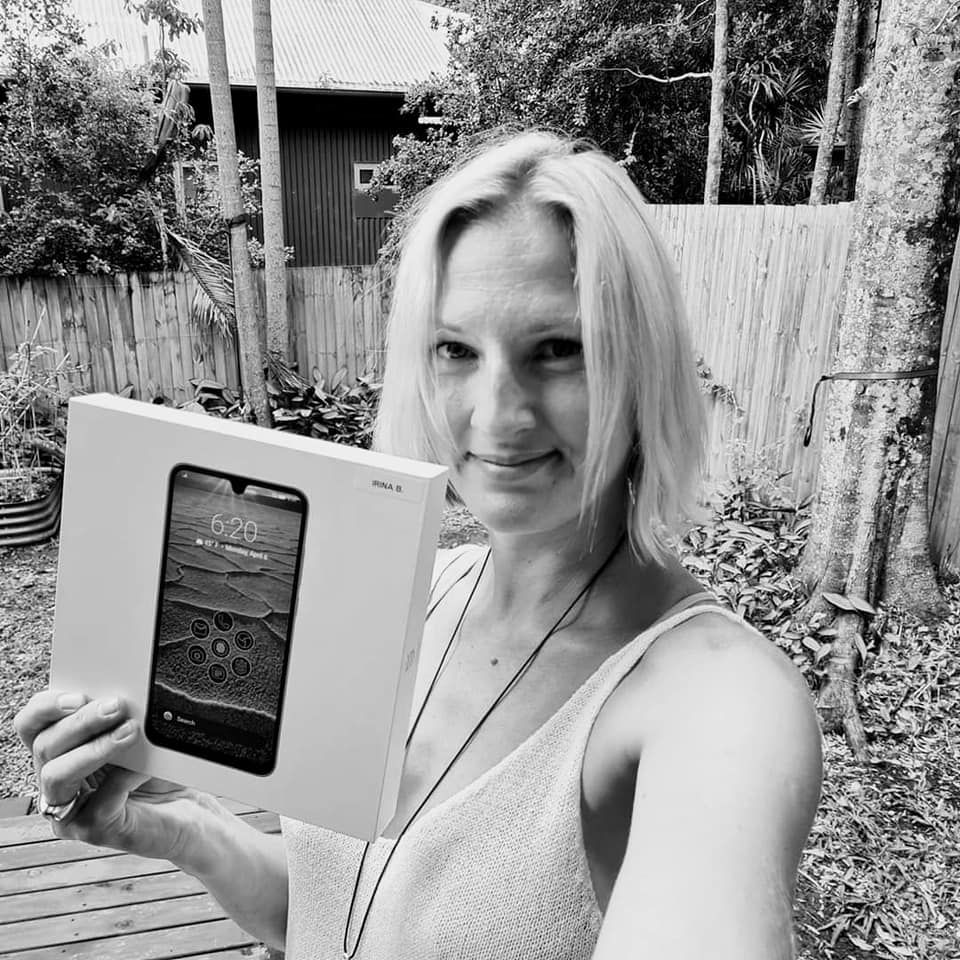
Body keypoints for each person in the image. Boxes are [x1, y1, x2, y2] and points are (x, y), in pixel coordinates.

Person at [14, 130, 822, 959]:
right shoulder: (415, 591)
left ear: (642, 363)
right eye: (456, 349)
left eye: (558, 350)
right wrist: (189, 828)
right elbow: (336, 913)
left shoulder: (717, 702)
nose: (496, 415)